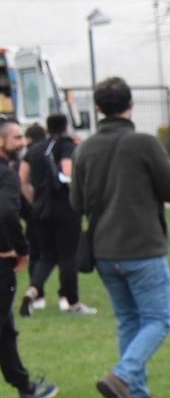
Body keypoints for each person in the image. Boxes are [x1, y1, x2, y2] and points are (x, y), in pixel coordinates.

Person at [71, 76, 170, 398]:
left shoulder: (84, 148)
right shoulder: (144, 143)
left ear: (99, 108)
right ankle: (123, 375)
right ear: (130, 105)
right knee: (158, 319)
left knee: (128, 319)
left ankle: (136, 392)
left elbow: (76, 201)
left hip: (104, 248)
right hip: (142, 246)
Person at [0, 118, 58, 398]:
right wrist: (19, 249)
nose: (23, 143)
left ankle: (25, 387)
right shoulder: (5, 176)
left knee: (6, 329)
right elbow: (9, 214)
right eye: (16, 137)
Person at [19, 112, 95, 315]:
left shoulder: (35, 149)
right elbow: (68, 172)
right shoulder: (67, 145)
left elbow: (22, 179)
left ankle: (32, 291)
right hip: (65, 209)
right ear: (65, 126)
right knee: (67, 256)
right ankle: (71, 302)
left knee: (46, 256)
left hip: (41, 211)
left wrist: (33, 200)